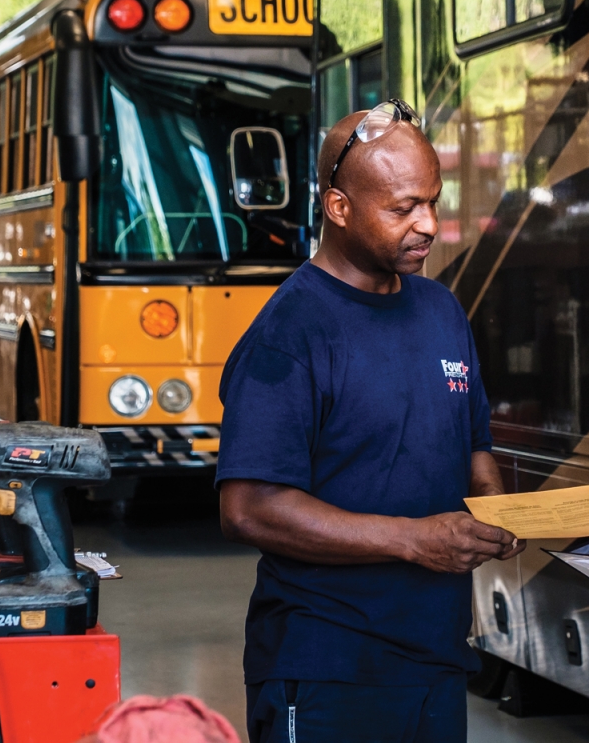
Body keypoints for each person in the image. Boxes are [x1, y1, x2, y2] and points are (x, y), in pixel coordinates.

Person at [215, 99, 523, 743]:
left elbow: (474, 451)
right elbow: (248, 508)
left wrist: (498, 513)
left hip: (436, 657)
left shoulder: (441, 311)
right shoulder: (290, 334)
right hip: (327, 665)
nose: (429, 225)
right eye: (402, 207)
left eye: (434, 201)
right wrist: (412, 539)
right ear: (339, 208)